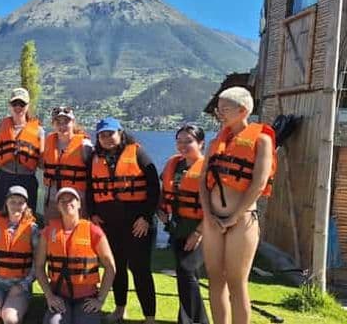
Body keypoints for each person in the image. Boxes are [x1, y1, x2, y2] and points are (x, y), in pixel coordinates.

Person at [200, 87, 276, 324]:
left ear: (242, 110)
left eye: (224, 109)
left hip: (242, 220)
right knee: (215, 279)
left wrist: (234, 216)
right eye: (217, 109)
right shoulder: (216, 143)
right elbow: (203, 181)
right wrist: (208, 214)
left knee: (236, 282)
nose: (219, 113)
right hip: (212, 220)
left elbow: (259, 183)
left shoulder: (261, 140)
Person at [87, 117, 159, 324]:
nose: (107, 138)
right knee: (116, 267)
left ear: (120, 133)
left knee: (140, 269)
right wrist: (92, 213)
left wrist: (146, 217)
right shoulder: (94, 158)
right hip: (109, 224)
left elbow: (154, 186)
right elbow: (91, 189)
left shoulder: (137, 152)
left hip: (138, 224)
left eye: (111, 133)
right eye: (102, 135)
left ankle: (150, 317)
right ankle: (120, 309)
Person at [35, 187, 116, 324]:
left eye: (71, 200)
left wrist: (100, 299)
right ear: (58, 206)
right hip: (59, 296)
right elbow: (39, 266)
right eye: (62, 201)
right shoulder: (48, 232)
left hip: (86, 298)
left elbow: (110, 267)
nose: (67, 203)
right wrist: (49, 296)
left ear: (79, 204)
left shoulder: (94, 231)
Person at [157, 124, 209, 324]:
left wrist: (198, 232)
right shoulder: (174, 164)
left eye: (189, 141)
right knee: (185, 274)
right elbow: (164, 190)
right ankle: (189, 319)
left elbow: (213, 205)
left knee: (187, 271)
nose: (183, 145)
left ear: (200, 143)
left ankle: (194, 321)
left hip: (199, 227)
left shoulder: (207, 168)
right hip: (177, 227)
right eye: (179, 141)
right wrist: (160, 209)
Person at [0, 185, 39, 324]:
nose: (16, 206)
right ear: (6, 203)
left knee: (10, 319)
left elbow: (38, 264)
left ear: (26, 205)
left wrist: (23, 285)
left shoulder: (32, 229)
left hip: (19, 286)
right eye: (12, 201)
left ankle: (14, 304)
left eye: (20, 202)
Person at [0, 87, 45, 215]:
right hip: (4, 178)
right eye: (15, 104)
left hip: (27, 179)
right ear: (10, 105)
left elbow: (42, 163)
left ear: (28, 106)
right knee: (1, 215)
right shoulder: (1, 127)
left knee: (26, 219)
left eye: (22, 104)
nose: (18, 107)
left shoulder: (39, 131)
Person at [42, 106, 93, 220]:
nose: (62, 126)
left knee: (76, 235)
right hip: (52, 201)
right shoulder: (49, 141)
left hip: (75, 201)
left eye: (66, 122)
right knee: (52, 234)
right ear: (53, 124)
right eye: (58, 122)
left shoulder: (85, 145)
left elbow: (94, 174)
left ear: (73, 122)